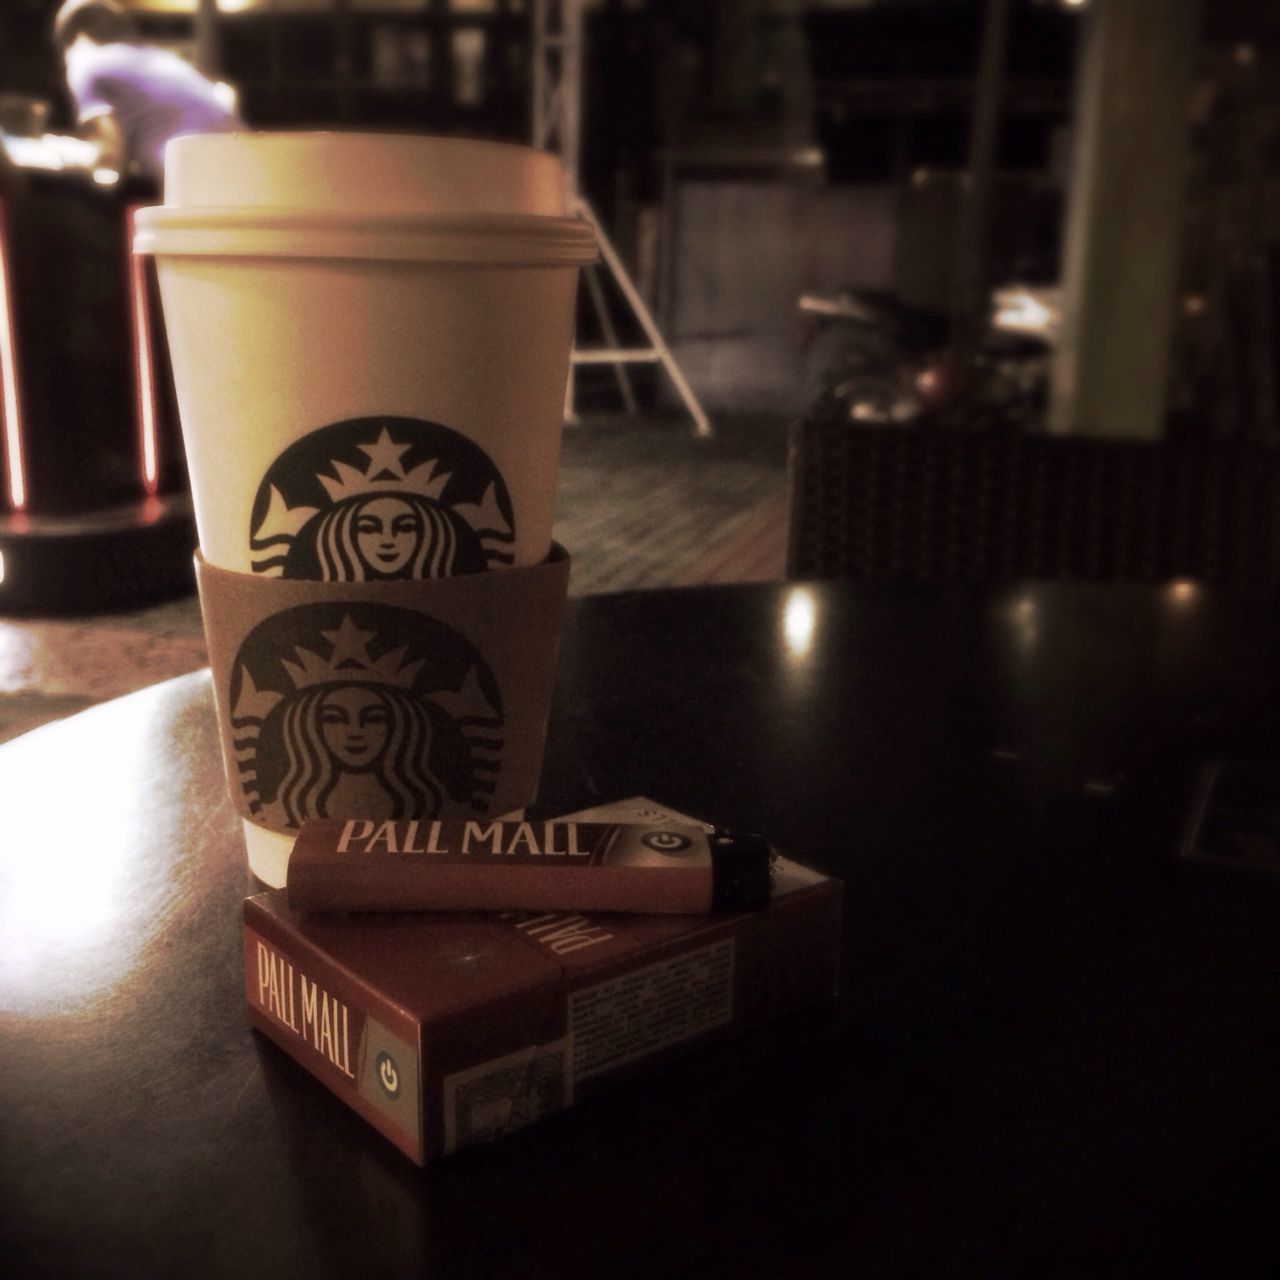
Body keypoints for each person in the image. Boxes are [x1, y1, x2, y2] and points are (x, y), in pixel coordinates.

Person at [53, 0, 242, 190]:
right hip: (244, 171)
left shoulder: (86, 63)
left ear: (78, 36)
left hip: (191, 180)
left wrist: (71, 157)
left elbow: (110, 157)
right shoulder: (162, 58)